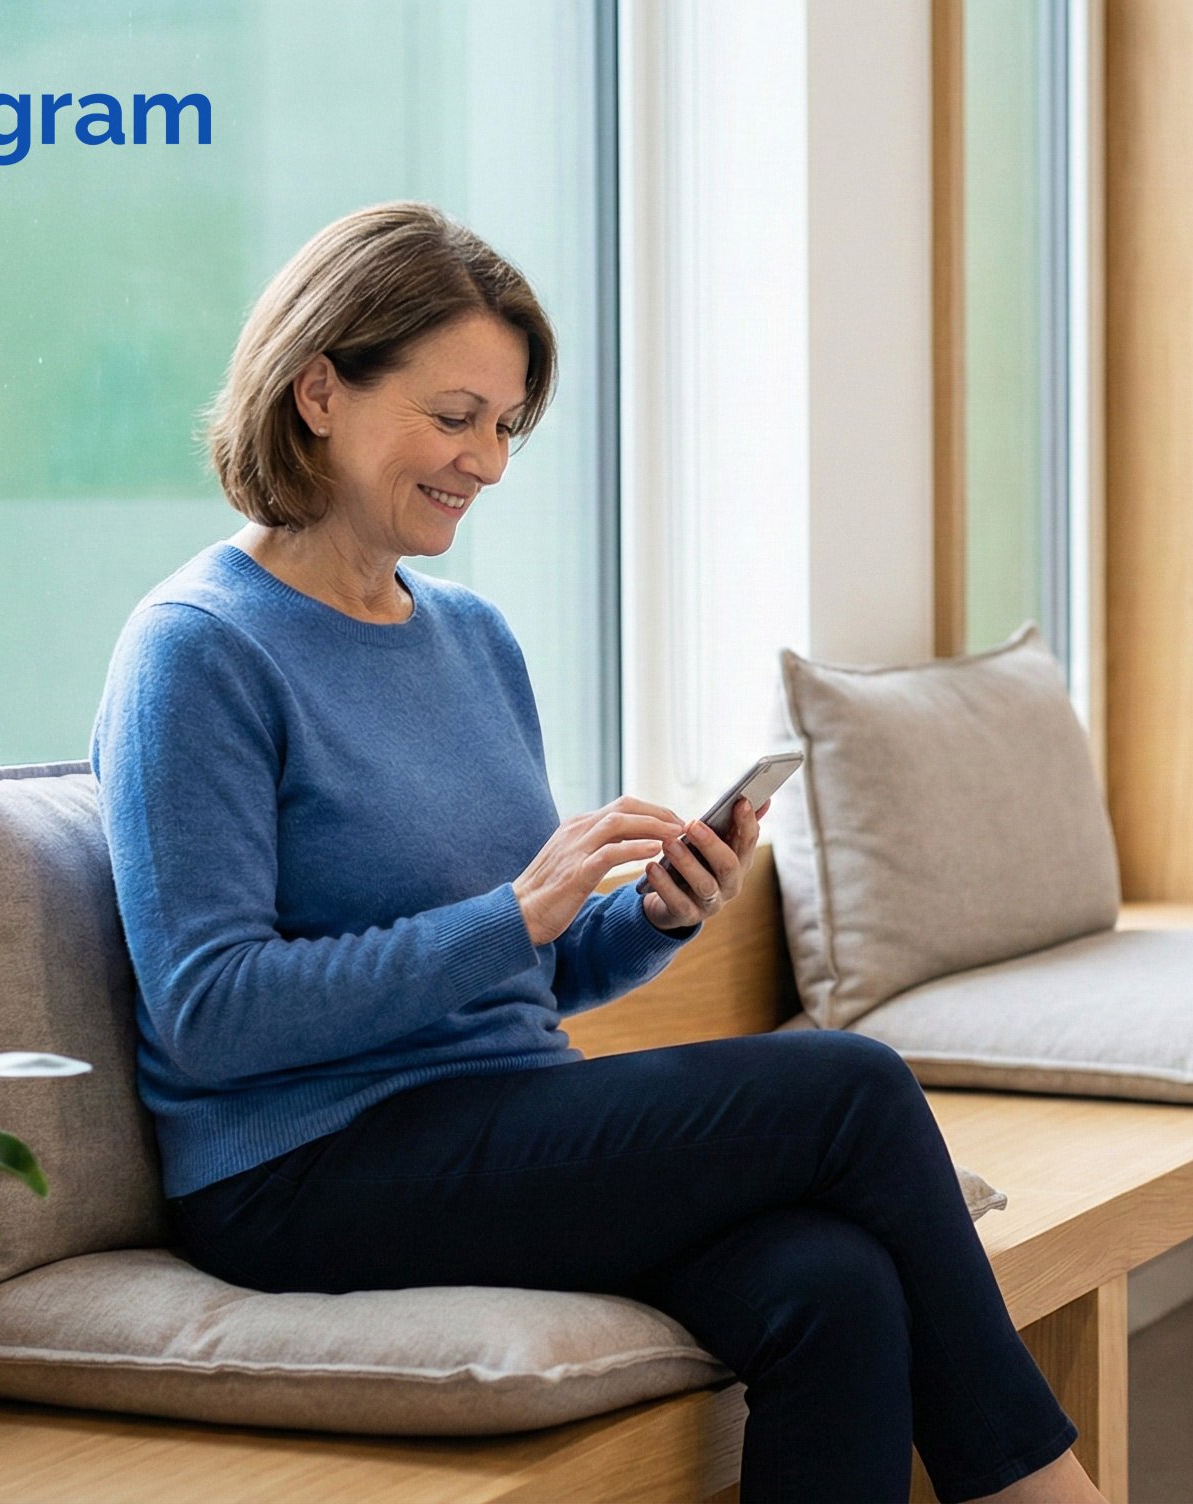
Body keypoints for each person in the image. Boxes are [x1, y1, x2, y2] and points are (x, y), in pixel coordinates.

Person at [91, 201, 1100, 1504]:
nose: (490, 462)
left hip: (495, 1120)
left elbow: (527, 986)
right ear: (320, 391)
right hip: (301, 1170)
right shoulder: (198, 650)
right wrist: (514, 913)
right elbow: (211, 1012)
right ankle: (1044, 1491)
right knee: (847, 1089)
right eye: (455, 417)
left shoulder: (474, 641)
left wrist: (652, 919)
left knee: (828, 1288)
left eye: (507, 427)